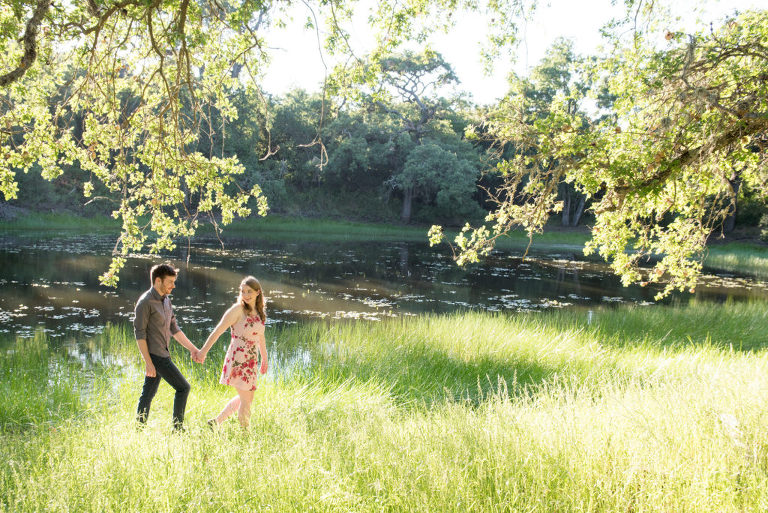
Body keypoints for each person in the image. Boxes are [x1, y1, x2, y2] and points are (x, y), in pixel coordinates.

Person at [196, 276, 268, 430]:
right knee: (246, 400)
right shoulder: (237, 310)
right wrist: (203, 352)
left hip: (251, 360)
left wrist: (265, 359)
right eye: (243, 291)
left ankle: (215, 423)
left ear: (258, 292)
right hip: (238, 360)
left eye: (249, 291)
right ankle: (245, 436)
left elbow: (260, 336)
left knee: (247, 398)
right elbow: (218, 331)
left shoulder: (260, 312)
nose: (246, 295)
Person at [134, 263, 200, 431]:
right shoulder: (145, 302)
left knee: (147, 394)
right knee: (183, 388)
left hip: (163, 354)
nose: (173, 285)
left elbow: (174, 330)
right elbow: (140, 335)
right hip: (156, 357)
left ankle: (138, 429)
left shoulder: (166, 301)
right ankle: (178, 429)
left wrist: (193, 349)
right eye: (170, 281)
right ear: (158, 281)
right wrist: (148, 362)